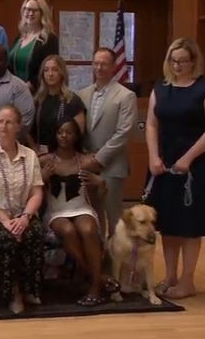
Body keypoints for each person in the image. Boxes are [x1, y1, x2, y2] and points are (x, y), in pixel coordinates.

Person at [145, 38, 205, 300]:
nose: (177, 65)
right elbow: (151, 125)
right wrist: (153, 156)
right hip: (165, 160)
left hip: (198, 163)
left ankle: (187, 280)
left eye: (182, 60)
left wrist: (188, 158)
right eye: (173, 60)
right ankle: (170, 275)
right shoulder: (161, 88)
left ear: (194, 61)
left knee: (190, 225)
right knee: (168, 222)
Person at [0, 104, 45, 314]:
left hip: (23, 214)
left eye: (9, 122)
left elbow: (37, 193)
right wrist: (5, 220)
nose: (3, 126)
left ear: (18, 126)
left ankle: (30, 288)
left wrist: (25, 218)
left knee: (34, 233)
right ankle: (12, 292)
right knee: (6, 238)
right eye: (0, 121)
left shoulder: (30, 156)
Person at [41, 119, 113, 306]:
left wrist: (100, 184)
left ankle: (95, 286)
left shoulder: (86, 161)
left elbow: (100, 195)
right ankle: (97, 278)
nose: (64, 136)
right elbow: (33, 191)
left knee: (88, 230)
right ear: (55, 135)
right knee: (67, 230)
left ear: (76, 136)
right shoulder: (45, 161)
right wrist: (43, 178)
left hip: (82, 207)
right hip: (56, 211)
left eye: (69, 132)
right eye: (60, 132)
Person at [77, 47, 137, 237]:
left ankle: (116, 264)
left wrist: (98, 159)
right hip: (86, 164)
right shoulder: (83, 94)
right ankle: (98, 262)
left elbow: (123, 133)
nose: (99, 67)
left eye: (104, 63)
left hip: (112, 166)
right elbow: (81, 130)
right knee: (93, 217)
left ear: (113, 66)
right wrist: (85, 157)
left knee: (114, 219)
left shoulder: (126, 96)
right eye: (96, 63)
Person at [30, 55, 86, 155]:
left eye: (55, 70)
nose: (50, 74)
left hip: (65, 156)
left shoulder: (73, 101)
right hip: (39, 154)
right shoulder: (36, 100)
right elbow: (27, 129)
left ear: (62, 73)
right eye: (46, 70)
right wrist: (33, 148)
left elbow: (79, 133)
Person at [8, 0, 59, 92]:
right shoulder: (19, 38)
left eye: (35, 10)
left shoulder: (49, 39)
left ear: (42, 13)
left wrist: (28, 86)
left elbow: (47, 68)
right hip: (14, 91)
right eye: (27, 9)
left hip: (37, 93)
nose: (30, 13)